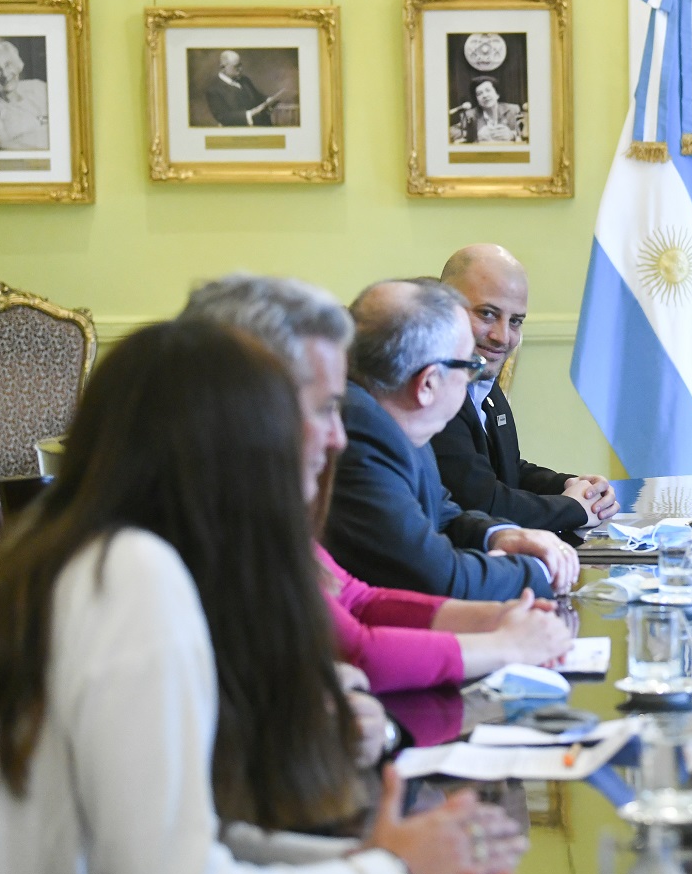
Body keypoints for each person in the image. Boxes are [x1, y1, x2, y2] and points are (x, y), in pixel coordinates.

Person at [0, 321, 525, 874]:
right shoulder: (131, 575)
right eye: (314, 413)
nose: (337, 438)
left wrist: (377, 856)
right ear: (236, 441)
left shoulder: (95, 553)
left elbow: (182, 838)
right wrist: (393, 873)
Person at [181, 274, 573, 693]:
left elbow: (357, 599)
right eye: (323, 408)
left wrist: (493, 618)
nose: (338, 436)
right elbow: (358, 648)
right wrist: (504, 644)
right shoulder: (219, 514)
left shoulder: (257, 498)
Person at [325, 278, 577, 600]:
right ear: (428, 383)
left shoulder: (400, 418)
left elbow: (445, 514)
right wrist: (542, 569)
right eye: (470, 366)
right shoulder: (360, 434)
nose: (472, 380)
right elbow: (441, 577)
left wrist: (500, 536)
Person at [432, 244, 617, 536]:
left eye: (515, 321)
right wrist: (572, 509)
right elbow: (481, 502)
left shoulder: (483, 381)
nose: (502, 337)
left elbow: (508, 470)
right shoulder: (433, 392)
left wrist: (574, 487)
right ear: (444, 309)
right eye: (488, 314)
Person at [204, 50, 281, 128]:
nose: (241, 69)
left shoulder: (245, 80)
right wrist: (250, 114)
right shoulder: (213, 90)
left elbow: (257, 96)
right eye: (236, 66)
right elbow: (223, 117)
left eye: (240, 65)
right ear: (223, 67)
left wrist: (269, 100)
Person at [453, 80, 522, 143]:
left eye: (488, 90)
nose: (485, 96)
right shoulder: (470, 115)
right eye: (479, 93)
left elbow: (527, 131)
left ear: (497, 94)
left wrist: (512, 135)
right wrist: (475, 135)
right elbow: (451, 131)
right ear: (477, 99)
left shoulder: (513, 110)